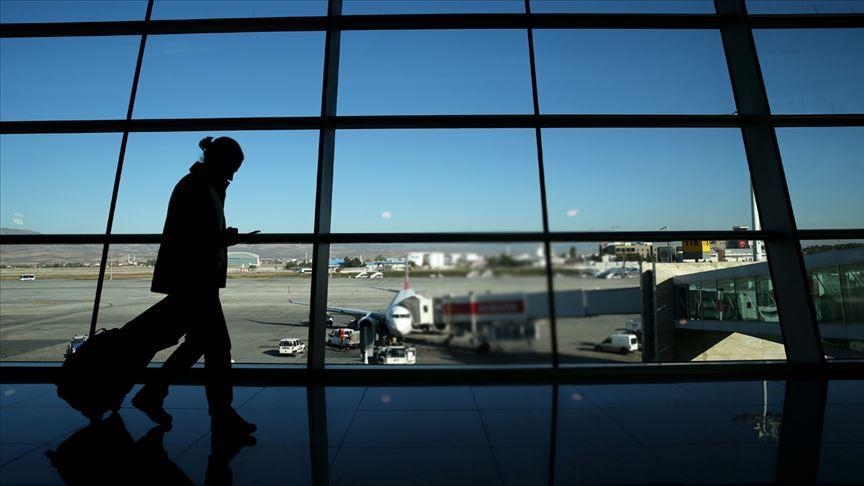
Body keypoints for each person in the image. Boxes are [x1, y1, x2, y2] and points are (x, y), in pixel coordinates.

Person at [131, 136, 256, 440]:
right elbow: (191, 239)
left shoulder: (199, 185)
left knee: (204, 342)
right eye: (232, 167)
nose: (234, 174)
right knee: (218, 346)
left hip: (194, 279)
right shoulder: (198, 187)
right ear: (220, 161)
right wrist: (222, 239)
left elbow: (189, 234)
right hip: (195, 280)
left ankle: (155, 392)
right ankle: (217, 412)